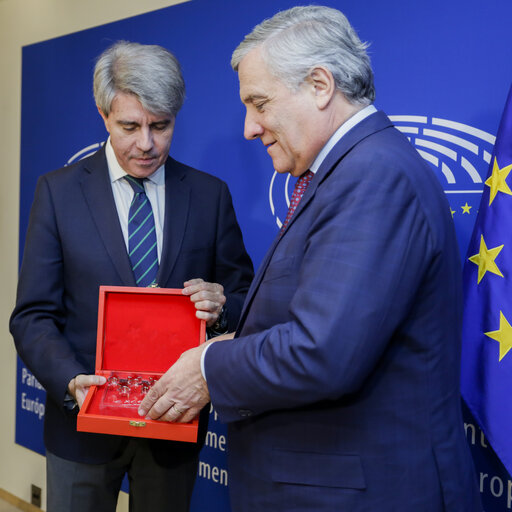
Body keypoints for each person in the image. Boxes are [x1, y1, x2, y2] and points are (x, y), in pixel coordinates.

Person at [138, 6, 482, 512]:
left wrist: (209, 365)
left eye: (259, 103)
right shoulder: (344, 173)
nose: (250, 128)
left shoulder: (373, 177)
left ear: (320, 85)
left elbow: (322, 352)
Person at [10, 41, 253, 512]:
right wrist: (70, 382)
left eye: (161, 126)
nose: (147, 143)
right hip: (81, 425)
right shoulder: (58, 194)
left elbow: (245, 296)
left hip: (173, 425)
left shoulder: (209, 196)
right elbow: (32, 316)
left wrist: (222, 305)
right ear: (103, 114)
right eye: (130, 126)